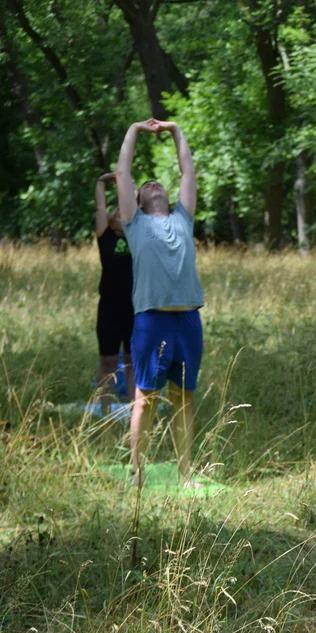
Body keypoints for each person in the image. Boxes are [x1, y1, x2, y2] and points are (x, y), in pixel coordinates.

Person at [115, 119, 204, 482]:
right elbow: (123, 171)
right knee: (146, 397)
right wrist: (135, 128)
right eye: (146, 185)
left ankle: (186, 472)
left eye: (158, 183)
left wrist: (175, 129)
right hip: (152, 320)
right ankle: (137, 470)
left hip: (188, 321)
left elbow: (188, 170)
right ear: (136, 201)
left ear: (168, 197)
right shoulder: (134, 223)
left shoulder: (183, 217)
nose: (153, 184)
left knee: (184, 399)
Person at [93, 171, 135, 411]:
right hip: (109, 309)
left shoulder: (138, 236)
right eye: (116, 213)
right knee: (108, 362)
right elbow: (100, 208)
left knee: (132, 362)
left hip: (133, 307)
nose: (120, 215)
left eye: (124, 212)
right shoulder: (105, 236)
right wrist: (101, 182)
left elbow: (136, 203)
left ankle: (133, 410)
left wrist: (128, 183)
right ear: (110, 219)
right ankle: (104, 410)